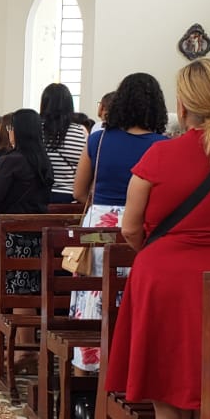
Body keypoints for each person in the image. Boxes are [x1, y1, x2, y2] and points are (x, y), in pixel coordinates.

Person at [106, 60, 210, 419]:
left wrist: (161, 253)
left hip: (167, 286)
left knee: (171, 409)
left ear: (182, 105)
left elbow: (131, 227)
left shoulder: (160, 155)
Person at [70, 72, 168, 372]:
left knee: (92, 292)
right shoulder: (162, 145)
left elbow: (78, 191)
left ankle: (85, 369)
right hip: (142, 225)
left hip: (99, 226)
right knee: (133, 294)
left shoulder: (98, 140)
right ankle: (130, 367)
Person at [0, 108, 54, 293]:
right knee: (29, 290)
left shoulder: (12, 161)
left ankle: (20, 315)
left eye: (11, 128)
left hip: (12, 236)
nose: (9, 132)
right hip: (37, 235)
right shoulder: (44, 161)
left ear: (19, 131)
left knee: (14, 292)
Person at [40, 82, 90, 204]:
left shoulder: (36, 130)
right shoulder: (80, 131)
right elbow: (89, 165)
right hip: (71, 197)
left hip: (41, 195)